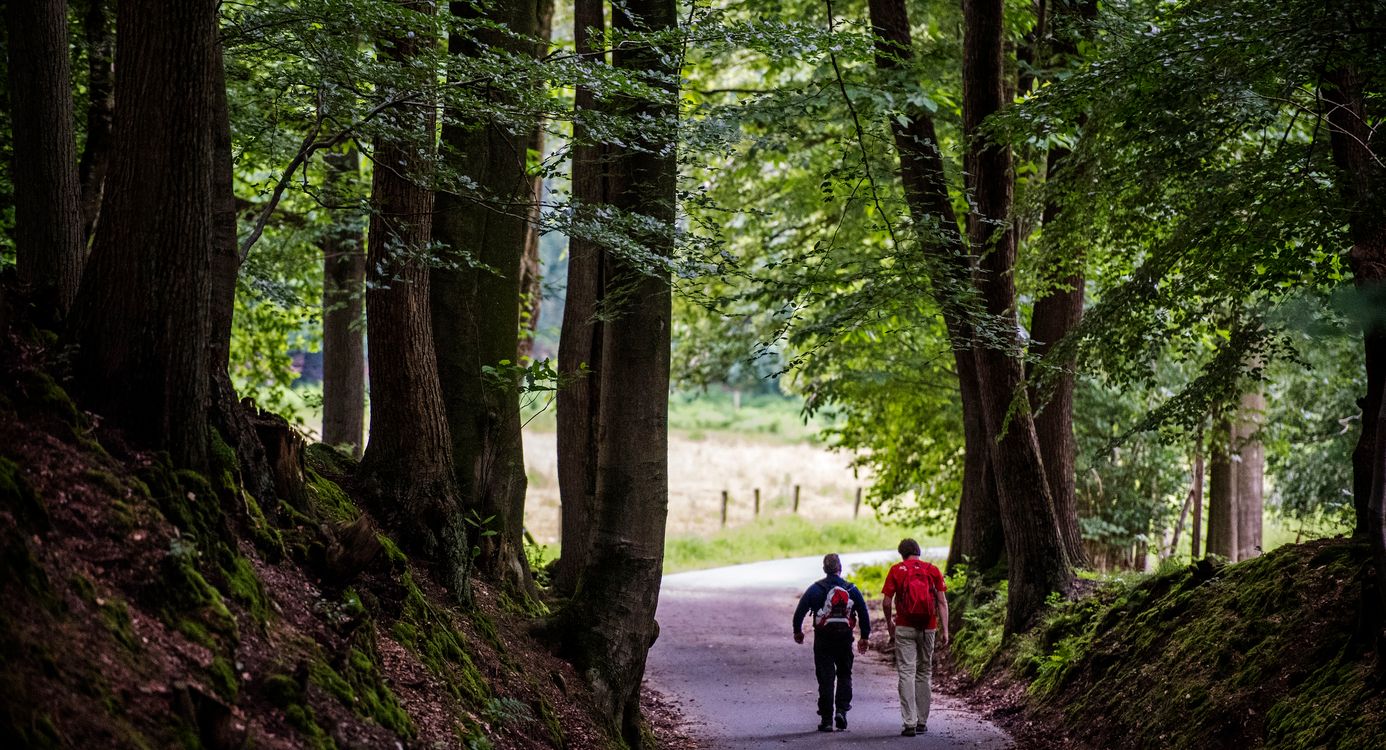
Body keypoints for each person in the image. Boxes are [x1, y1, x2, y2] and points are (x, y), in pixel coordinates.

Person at [792, 553, 871, 732]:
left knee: (825, 678)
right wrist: (864, 636)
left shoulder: (815, 589)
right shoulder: (851, 589)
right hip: (845, 639)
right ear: (839, 568)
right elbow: (864, 613)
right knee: (844, 674)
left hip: (823, 640)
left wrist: (798, 631)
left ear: (824, 569)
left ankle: (827, 720)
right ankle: (842, 711)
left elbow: (800, 611)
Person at [881, 538, 949, 737]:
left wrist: (889, 623)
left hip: (904, 627)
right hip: (928, 628)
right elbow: (942, 602)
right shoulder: (932, 570)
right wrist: (945, 630)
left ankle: (909, 723)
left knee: (906, 673)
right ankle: (922, 722)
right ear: (919, 552)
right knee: (924, 672)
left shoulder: (897, 570)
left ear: (902, 553)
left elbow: (886, 602)